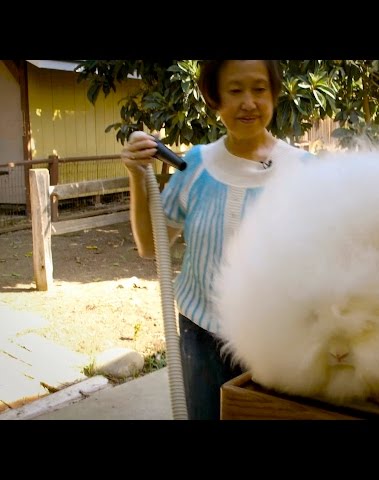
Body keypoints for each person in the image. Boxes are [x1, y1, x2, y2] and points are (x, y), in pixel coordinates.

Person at [121, 60, 313, 420]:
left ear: (274, 95)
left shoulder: (306, 172)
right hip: (201, 333)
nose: (248, 102)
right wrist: (136, 175)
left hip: (280, 338)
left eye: (259, 89)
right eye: (235, 90)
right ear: (214, 98)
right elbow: (150, 246)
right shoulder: (194, 166)